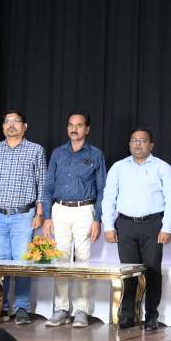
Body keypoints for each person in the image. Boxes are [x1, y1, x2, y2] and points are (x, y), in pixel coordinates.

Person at [102, 128, 171, 331]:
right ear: (129, 144)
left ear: (151, 145)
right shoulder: (119, 167)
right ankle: (128, 314)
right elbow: (109, 197)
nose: (138, 144)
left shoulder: (162, 168)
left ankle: (151, 315)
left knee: (152, 271)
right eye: (134, 140)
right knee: (128, 272)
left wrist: (167, 228)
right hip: (125, 225)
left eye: (143, 140)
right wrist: (108, 226)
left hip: (153, 225)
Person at [42, 111, 107, 328]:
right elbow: (48, 186)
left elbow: (102, 189)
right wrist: (47, 216)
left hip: (84, 210)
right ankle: (61, 309)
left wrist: (97, 218)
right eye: (71, 125)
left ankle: (81, 310)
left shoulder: (96, 154)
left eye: (79, 125)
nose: (74, 129)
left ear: (87, 129)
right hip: (60, 209)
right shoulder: (58, 153)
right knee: (60, 259)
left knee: (82, 260)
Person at [0, 110, 46, 324]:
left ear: (24, 126)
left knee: (22, 264)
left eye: (16, 121)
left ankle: (21, 308)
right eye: (7, 121)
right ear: (3, 127)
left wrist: (39, 213)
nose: (11, 125)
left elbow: (42, 184)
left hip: (23, 216)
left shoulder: (36, 150)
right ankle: (0, 307)